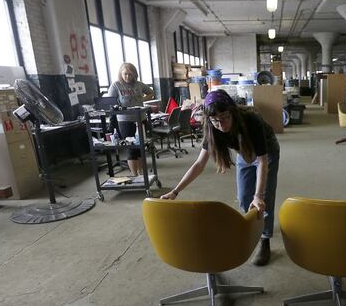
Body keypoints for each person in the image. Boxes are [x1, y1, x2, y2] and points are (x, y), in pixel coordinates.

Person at [160, 90, 280, 266]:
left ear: (232, 112)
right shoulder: (212, 129)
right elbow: (199, 164)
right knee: (245, 197)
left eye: (224, 117)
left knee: (263, 198)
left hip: (266, 151)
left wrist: (259, 195)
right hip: (243, 152)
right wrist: (175, 191)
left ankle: (265, 240)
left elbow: (262, 161)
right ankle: (252, 229)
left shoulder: (251, 120)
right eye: (215, 120)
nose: (221, 124)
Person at [107, 62, 154, 176]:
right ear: (121, 74)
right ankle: (135, 175)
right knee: (131, 147)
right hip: (125, 120)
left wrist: (143, 99)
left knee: (141, 147)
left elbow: (151, 92)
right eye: (125, 74)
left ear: (134, 75)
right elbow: (109, 102)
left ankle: (142, 174)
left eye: (130, 74)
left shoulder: (139, 84)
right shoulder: (116, 85)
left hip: (140, 118)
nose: (127, 77)